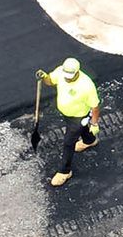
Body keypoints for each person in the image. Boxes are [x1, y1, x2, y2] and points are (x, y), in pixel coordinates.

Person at [38, 57, 101, 188]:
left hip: (79, 117)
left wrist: (94, 124)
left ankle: (65, 171)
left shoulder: (86, 85)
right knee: (79, 133)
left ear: (77, 71)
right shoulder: (61, 72)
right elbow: (50, 81)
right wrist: (44, 77)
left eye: (70, 76)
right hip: (67, 114)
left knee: (68, 143)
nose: (67, 78)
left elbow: (95, 107)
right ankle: (89, 140)